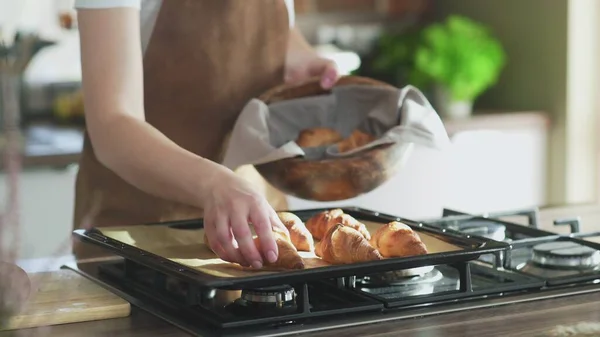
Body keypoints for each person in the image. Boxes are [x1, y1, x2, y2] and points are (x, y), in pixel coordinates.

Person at [72, 0, 339, 269]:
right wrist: (213, 184)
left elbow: (270, 28)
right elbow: (112, 123)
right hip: (139, 238)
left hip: (258, 225)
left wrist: (299, 58)